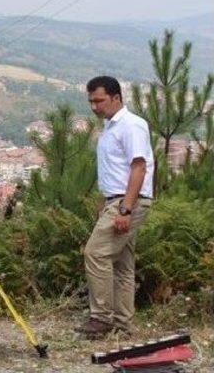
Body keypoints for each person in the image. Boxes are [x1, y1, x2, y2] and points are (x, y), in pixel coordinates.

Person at [75, 76, 154, 339]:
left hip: (127, 200)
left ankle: (101, 318)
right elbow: (113, 171)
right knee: (121, 264)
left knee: (95, 254)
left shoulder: (131, 125)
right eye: (91, 101)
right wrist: (105, 202)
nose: (95, 107)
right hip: (116, 200)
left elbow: (139, 166)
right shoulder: (109, 127)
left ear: (116, 97)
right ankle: (122, 323)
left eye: (99, 100)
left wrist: (125, 209)